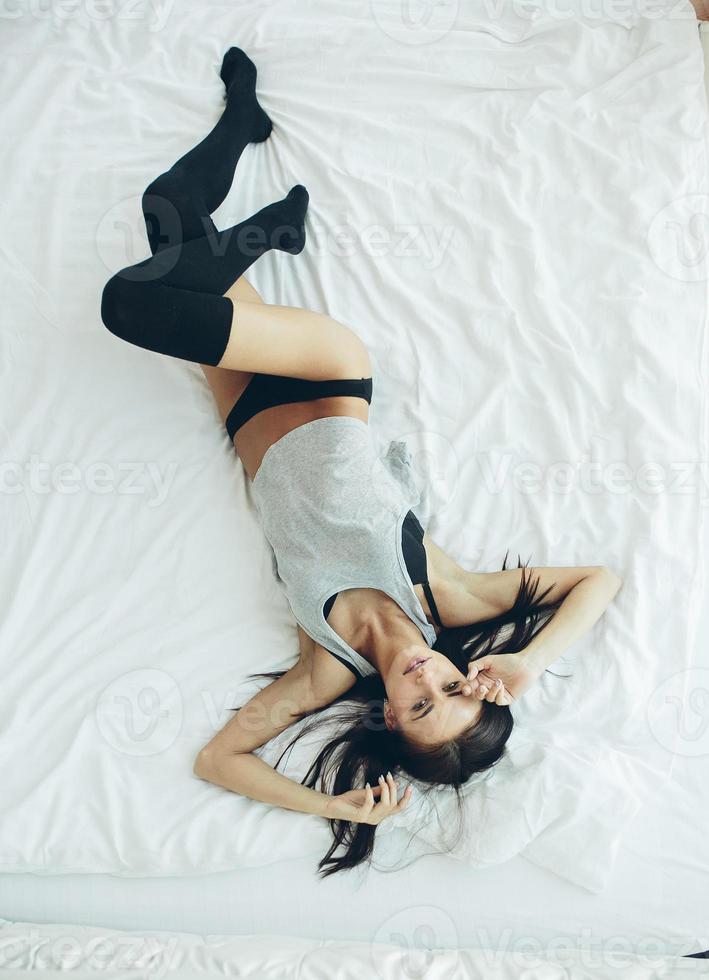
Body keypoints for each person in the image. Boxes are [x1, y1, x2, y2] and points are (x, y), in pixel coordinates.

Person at [100, 47, 622, 875]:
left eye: (420, 705)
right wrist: (526, 659)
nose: (427, 679)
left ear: (389, 720)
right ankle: (260, 229)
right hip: (325, 373)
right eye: (452, 688)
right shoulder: (442, 597)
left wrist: (334, 806)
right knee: (131, 302)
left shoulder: (323, 669)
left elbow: (217, 761)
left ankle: (251, 156)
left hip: (246, 408)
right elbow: (598, 580)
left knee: (167, 213)